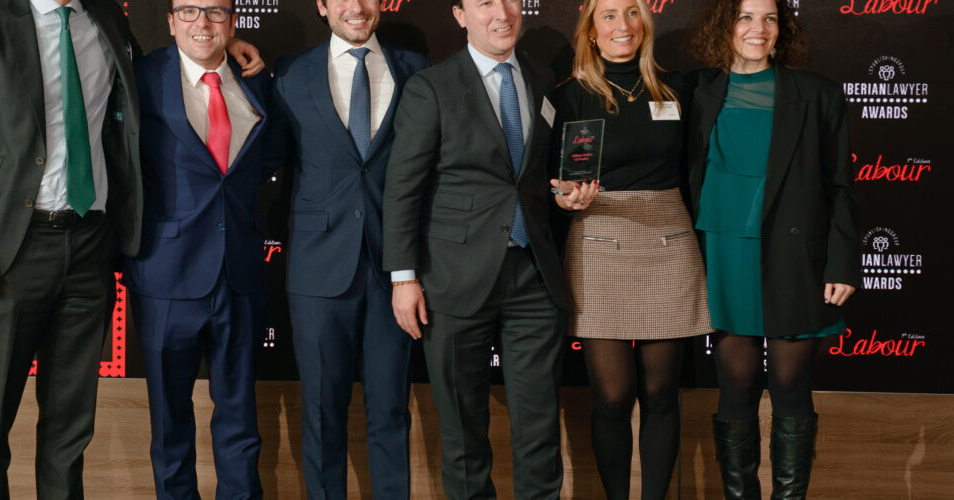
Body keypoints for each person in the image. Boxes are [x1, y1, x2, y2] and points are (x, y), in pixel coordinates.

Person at [0, 0, 142, 496]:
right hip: (10, 249)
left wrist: (225, 50)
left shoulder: (107, 19)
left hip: (90, 245)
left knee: (70, 429)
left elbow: (151, 81)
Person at [382, 0, 568, 497]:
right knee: (463, 435)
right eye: (485, 3)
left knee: (540, 432)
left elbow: (531, 176)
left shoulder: (542, 77)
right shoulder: (431, 87)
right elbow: (403, 188)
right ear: (460, 15)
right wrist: (403, 277)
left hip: (533, 277)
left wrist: (564, 191)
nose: (502, 13)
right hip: (453, 279)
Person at [685, 0, 860, 498]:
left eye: (769, 18)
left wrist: (843, 263)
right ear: (724, 25)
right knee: (736, 385)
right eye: (745, 17)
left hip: (794, 257)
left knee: (789, 385)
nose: (758, 29)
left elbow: (840, 186)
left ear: (783, 27)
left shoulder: (818, 93)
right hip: (723, 251)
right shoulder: (696, 92)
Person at [264, 0, 430, 498]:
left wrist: (407, 269)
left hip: (394, 271)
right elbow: (271, 158)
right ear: (322, 5)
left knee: (391, 412)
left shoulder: (417, 69)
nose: (355, 7)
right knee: (321, 413)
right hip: (317, 269)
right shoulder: (290, 73)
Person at [549, 0, 712, 498]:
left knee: (661, 393)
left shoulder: (677, 88)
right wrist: (564, 198)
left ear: (646, 21)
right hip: (599, 242)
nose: (623, 25)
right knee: (613, 396)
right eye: (609, 15)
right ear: (591, 31)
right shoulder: (571, 95)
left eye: (633, 12)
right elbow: (553, 180)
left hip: (669, 242)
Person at [121, 0, 272, 497]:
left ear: (233, 21)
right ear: (170, 22)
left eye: (215, 12)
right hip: (165, 274)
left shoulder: (258, 79)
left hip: (240, 276)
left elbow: (271, 161)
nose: (201, 22)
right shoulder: (142, 77)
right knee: (170, 429)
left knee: (241, 425)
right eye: (188, 11)